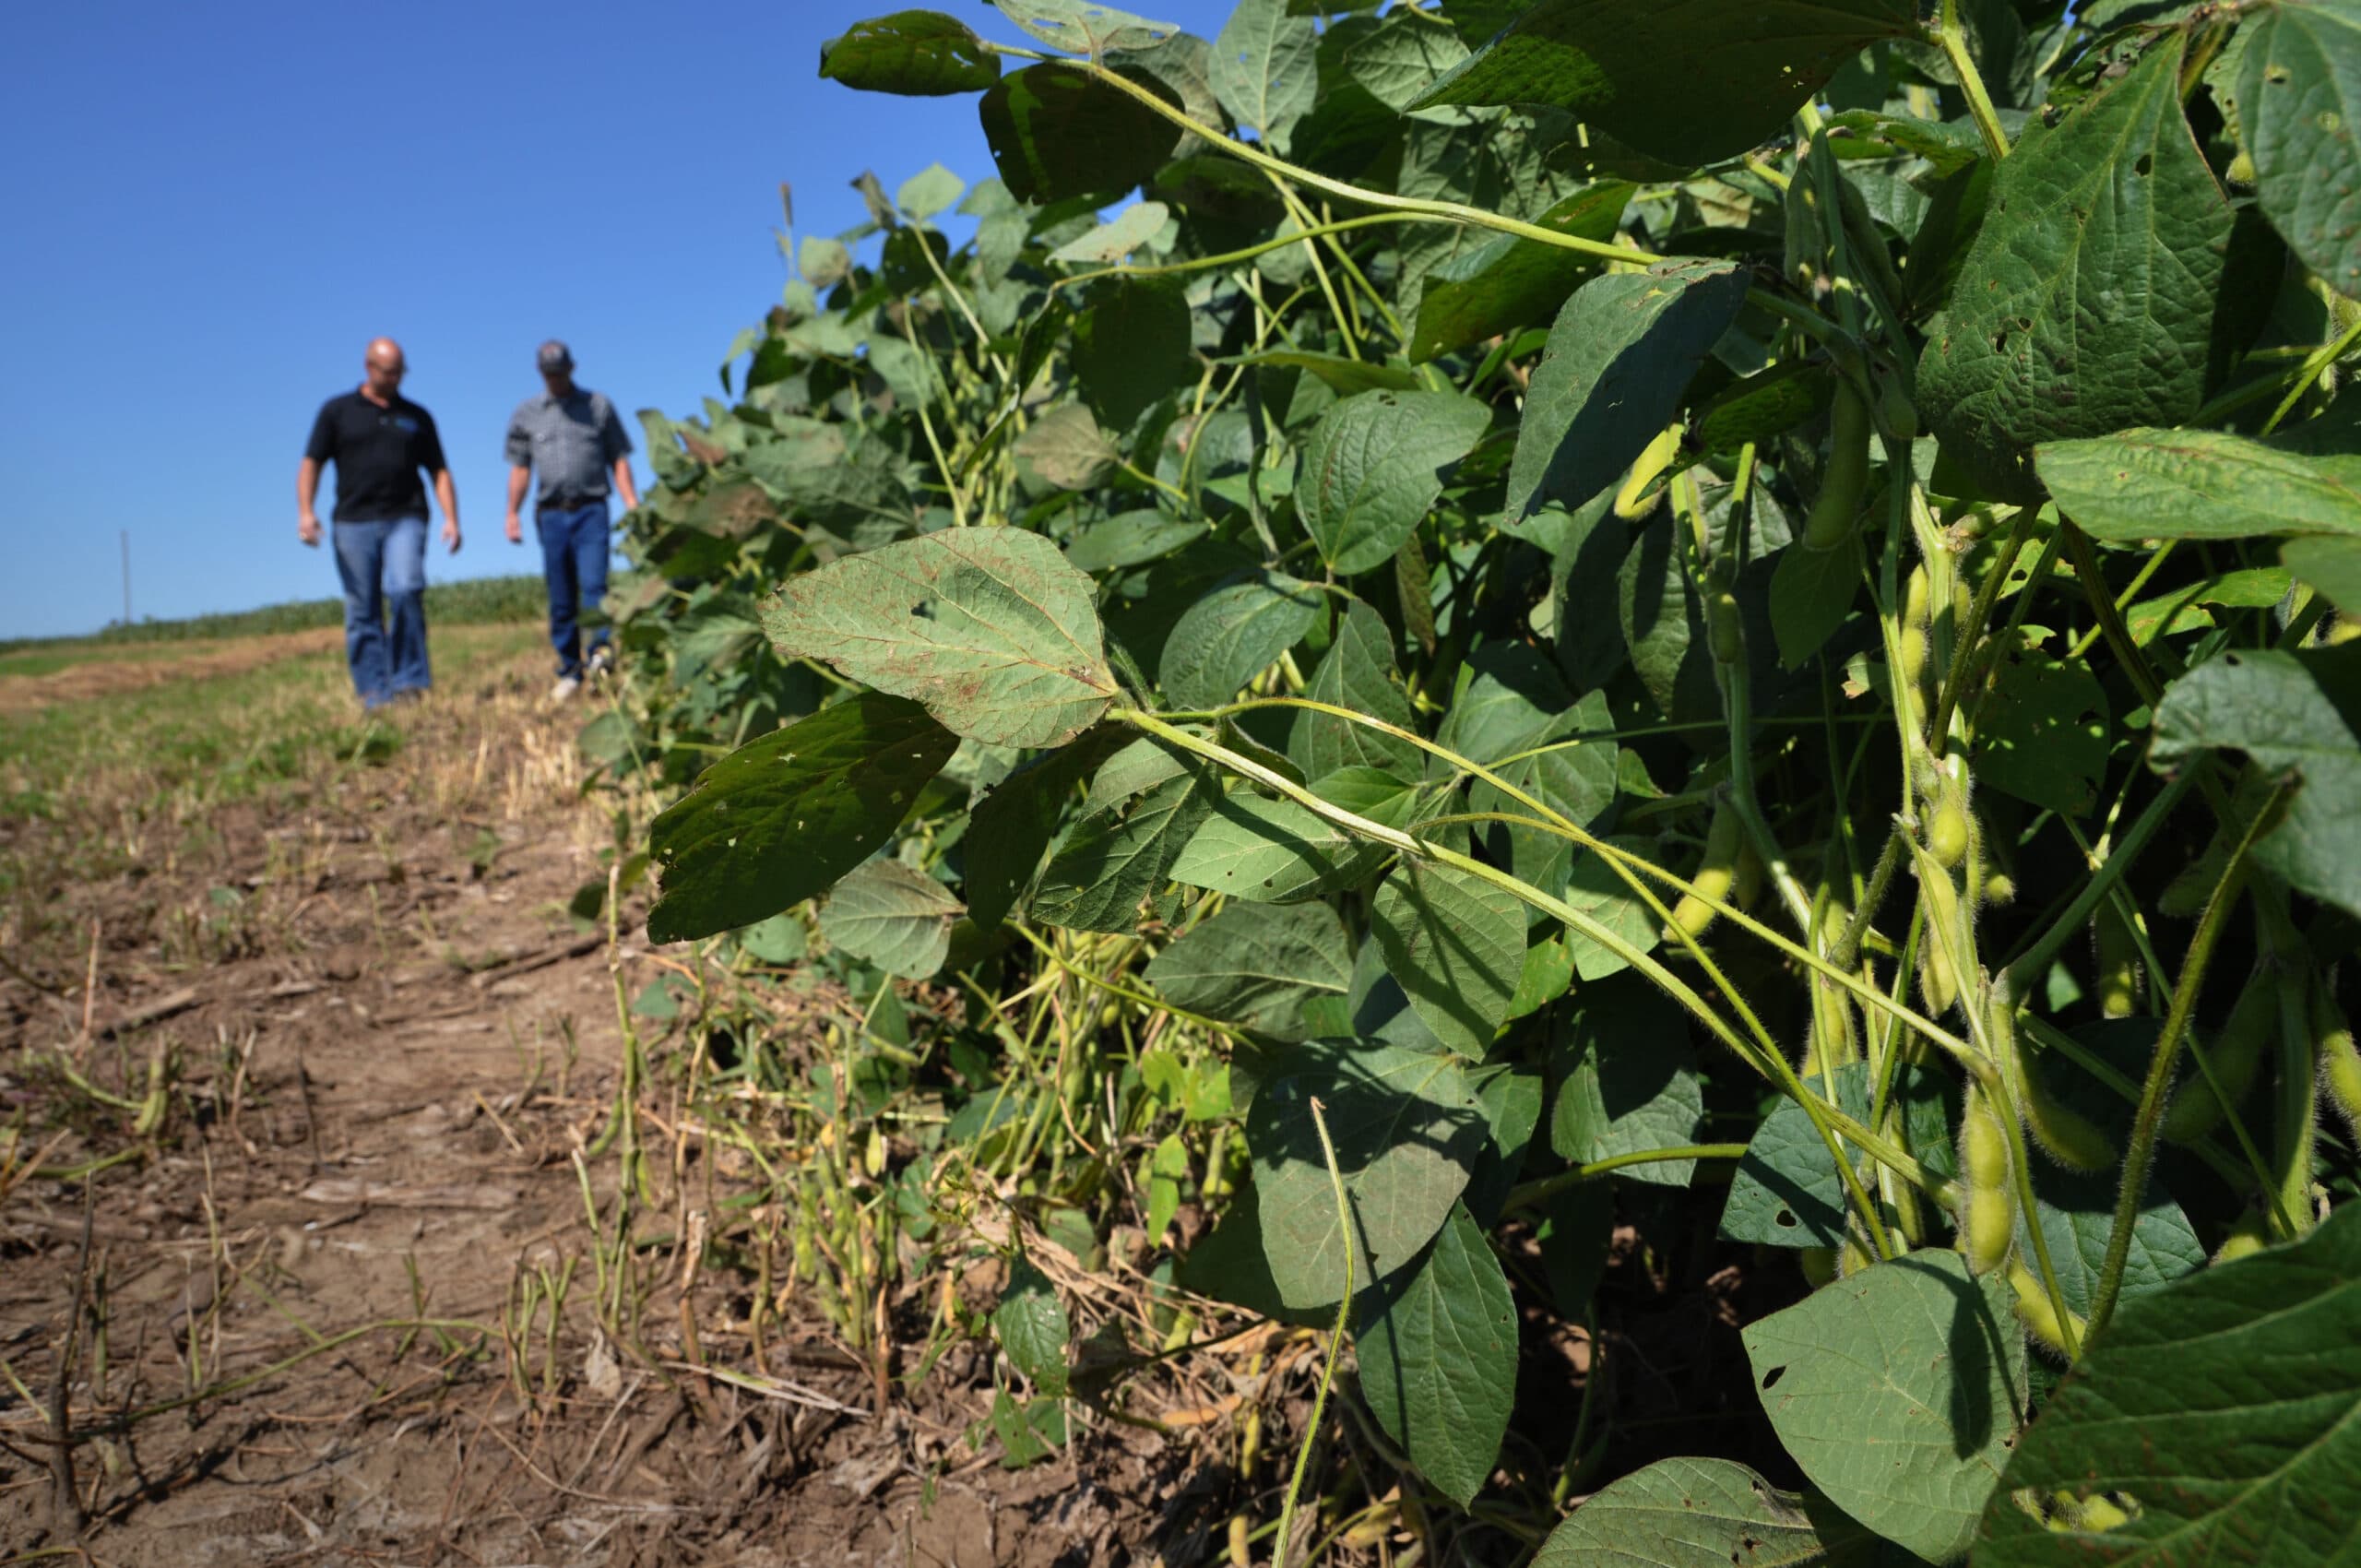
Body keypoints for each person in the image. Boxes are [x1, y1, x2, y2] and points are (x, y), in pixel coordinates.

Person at [299, 339, 461, 707]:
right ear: (369, 367)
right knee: (363, 608)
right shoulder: (337, 411)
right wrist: (306, 511)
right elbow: (311, 464)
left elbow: (439, 471)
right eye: (389, 372)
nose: (396, 378)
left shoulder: (417, 417)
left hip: (406, 517)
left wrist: (452, 518)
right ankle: (374, 692)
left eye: (400, 371)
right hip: (353, 522)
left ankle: (409, 683)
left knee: (405, 589)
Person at [504, 340, 638, 701]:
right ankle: (569, 669)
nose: (556, 379)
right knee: (561, 596)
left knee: (595, 586)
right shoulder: (527, 414)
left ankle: (600, 657)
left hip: (592, 508)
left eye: (561, 372)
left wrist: (631, 501)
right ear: (541, 373)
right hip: (551, 515)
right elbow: (520, 468)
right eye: (550, 374)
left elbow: (619, 458)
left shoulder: (597, 406)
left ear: (571, 369)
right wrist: (511, 514)